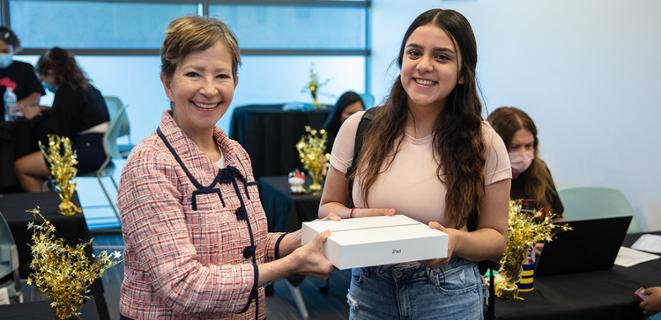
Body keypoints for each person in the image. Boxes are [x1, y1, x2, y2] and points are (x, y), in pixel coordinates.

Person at [117, 16, 334, 320]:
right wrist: (291, 265)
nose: (209, 89)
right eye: (194, 74)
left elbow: (250, 247)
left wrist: (310, 236)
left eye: (222, 76)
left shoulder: (235, 154)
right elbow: (183, 286)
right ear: (167, 83)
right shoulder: (150, 164)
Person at [319, 9, 511, 320]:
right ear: (401, 61)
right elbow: (328, 207)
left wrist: (455, 240)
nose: (424, 65)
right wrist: (354, 214)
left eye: (442, 57)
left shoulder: (484, 141)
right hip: (371, 290)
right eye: (414, 53)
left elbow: (496, 237)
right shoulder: (359, 127)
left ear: (463, 73)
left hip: (449, 294)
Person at [13, 47, 109, 192]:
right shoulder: (85, 87)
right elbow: (73, 118)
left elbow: (56, 136)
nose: (44, 83)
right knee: (35, 165)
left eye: (43, 79)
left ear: (51, 72)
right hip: (99, 148)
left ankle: (44, 212)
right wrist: (51, 113)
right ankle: (53, 205)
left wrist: (34, 118)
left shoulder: (66, 92)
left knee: (21, 167)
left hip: (86, 152)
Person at [487, 106, 564, 218]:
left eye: (528, 146)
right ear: (496, 146)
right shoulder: (479, 179)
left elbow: (558, 218)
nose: (523, 154)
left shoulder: (541, 170)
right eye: (514, 147)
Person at [0, 26, 44, 122]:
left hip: (20, 125)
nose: (1, 55)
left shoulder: (25, 69)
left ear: (13, 49)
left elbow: (35, 97)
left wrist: (13, 108)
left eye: (5, 51)